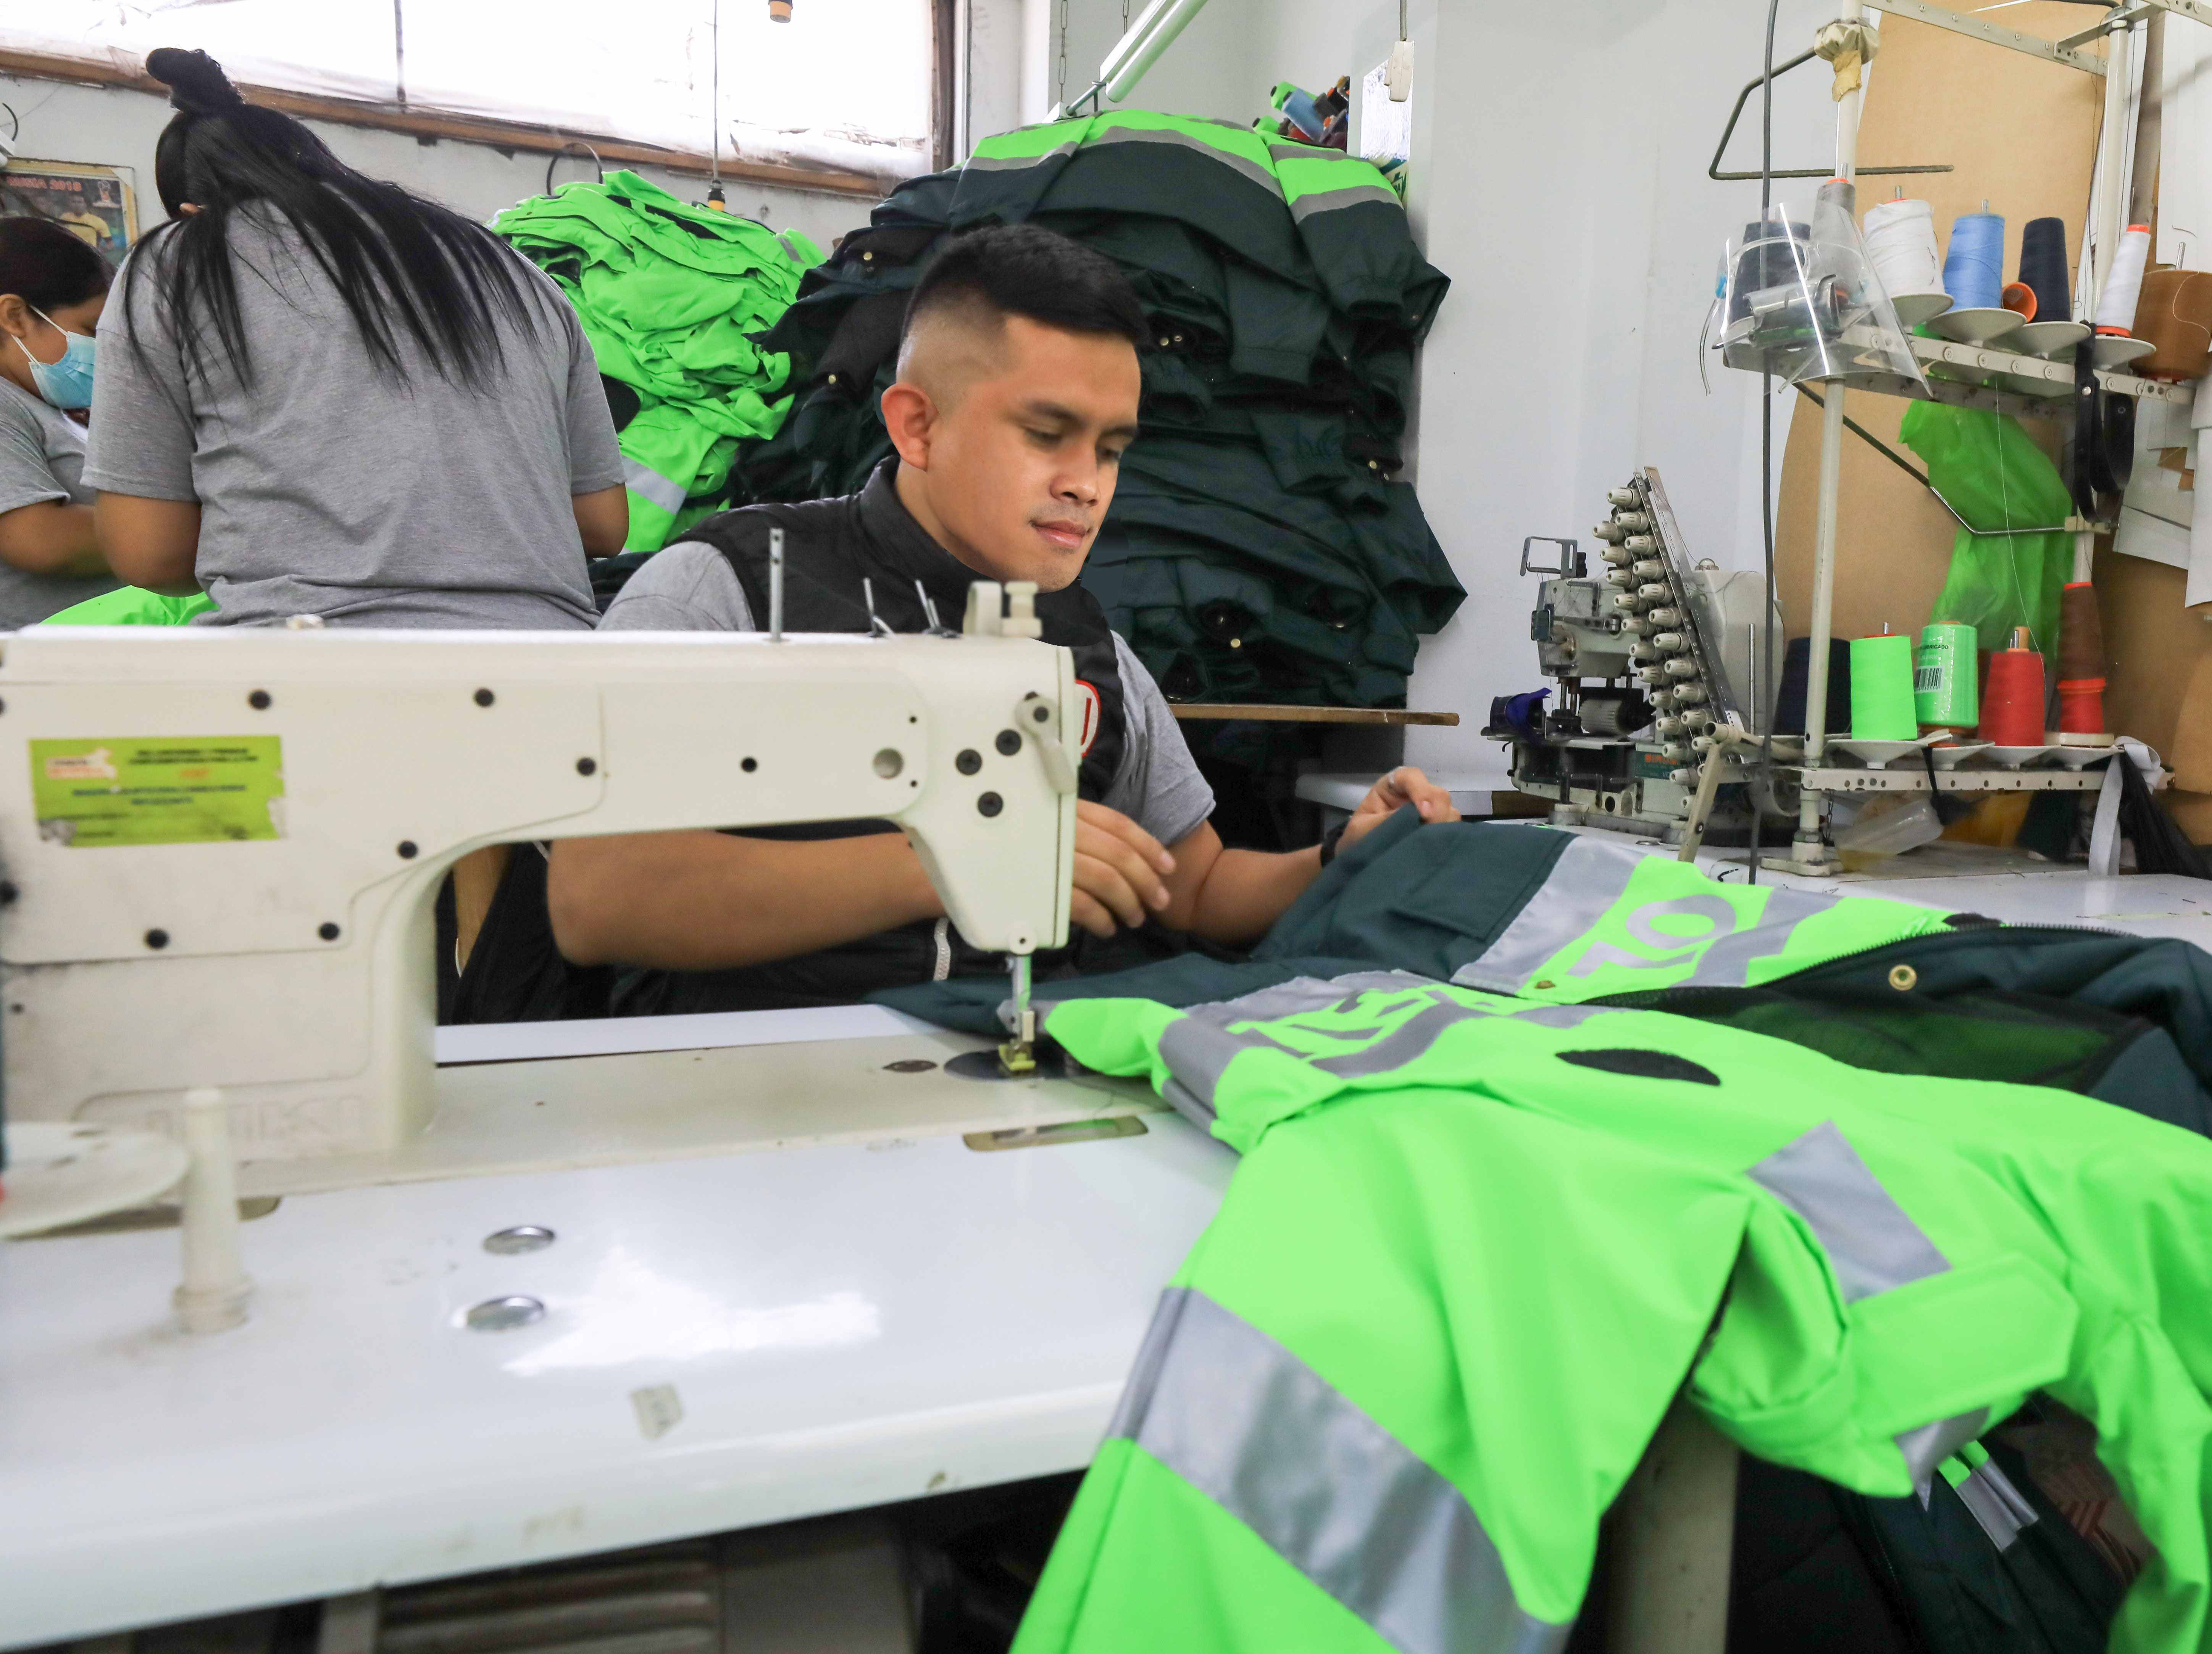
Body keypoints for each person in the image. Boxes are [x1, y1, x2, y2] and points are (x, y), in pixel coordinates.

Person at [549, 223, 1453, 1011]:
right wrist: (964, 856)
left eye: (1110, 449)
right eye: (1045, 433)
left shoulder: (1091, 649)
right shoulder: (724, 590)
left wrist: (1339, 857)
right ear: (916, 427)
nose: (1086, 482)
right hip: (754, 1108)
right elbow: (599, 897)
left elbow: (1197, 887)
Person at [83, 47, 627, 627]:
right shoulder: (512, 270)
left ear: (193, 211)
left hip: (307, 671)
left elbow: (148, 550)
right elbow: (602, 524)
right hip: (552, 666)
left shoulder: (181, 261)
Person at [0, 216, 119, 624]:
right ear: (15, 317)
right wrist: (189, 526)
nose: (106, 350)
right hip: (34, 674)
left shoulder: (51, 402)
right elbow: (38, 538)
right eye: (92, 329)